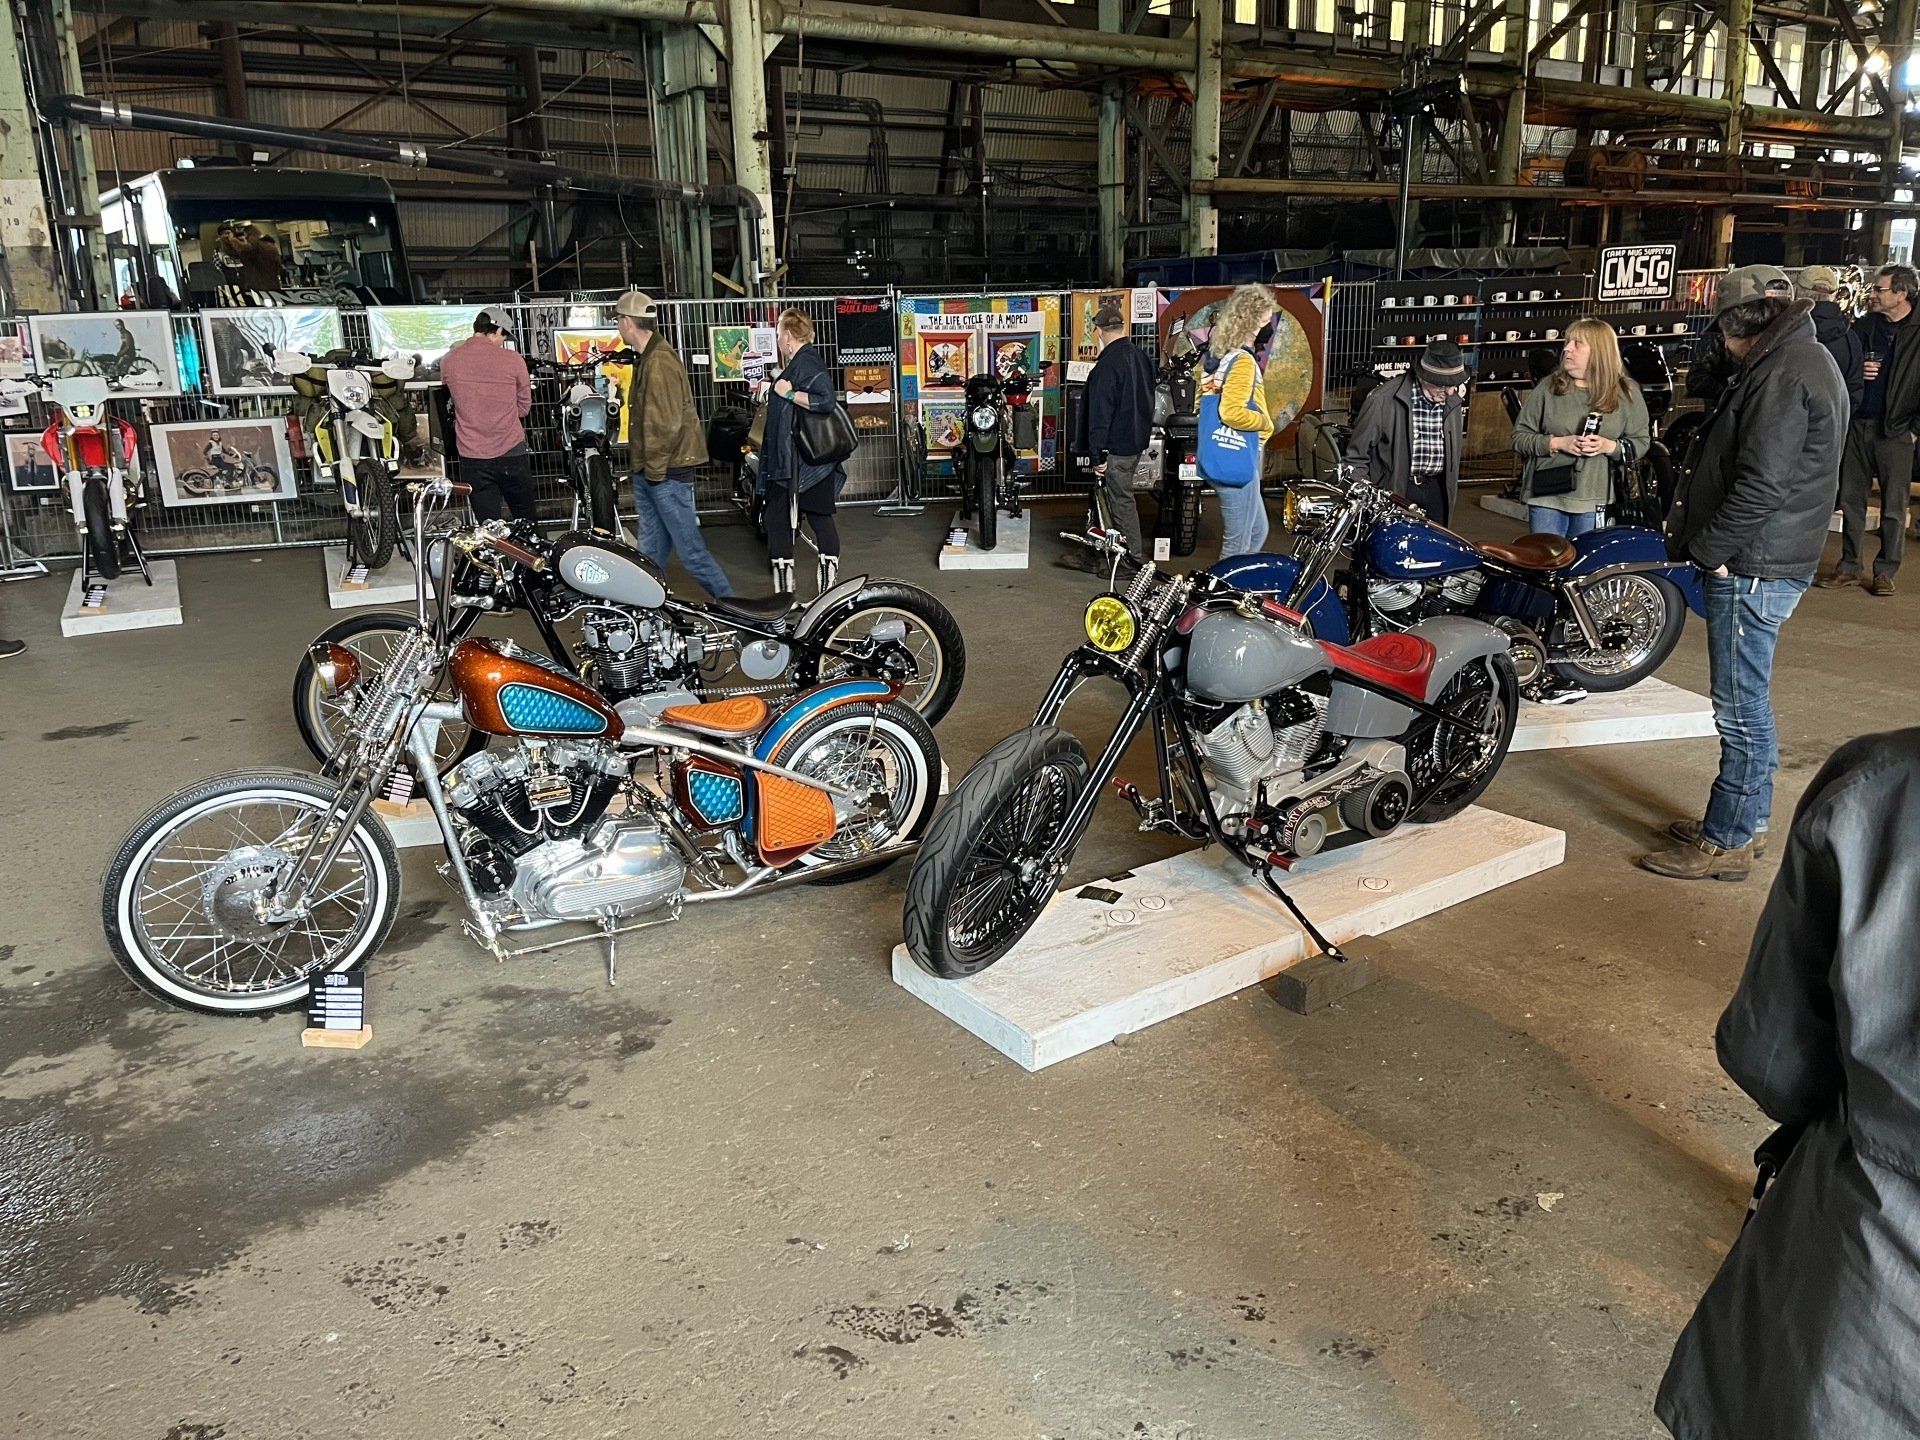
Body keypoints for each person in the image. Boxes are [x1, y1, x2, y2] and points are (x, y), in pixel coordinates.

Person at [1655, 728, 1920, 1440]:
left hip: (1868, 1308)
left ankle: (1730, 830)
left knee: (1740, 705)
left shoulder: (1883, 787)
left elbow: (1774, 1059)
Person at [1640, 267, 1845, 882]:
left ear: (1736, 327)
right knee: (1747, 700)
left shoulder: (1782, 374)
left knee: (1738, 707)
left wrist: (1708, 551)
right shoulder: (1804, 358)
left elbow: (1761, 486)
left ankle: (1726, 839)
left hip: (1753, 565)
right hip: (1769, 558)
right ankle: (1747, 823)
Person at [615, 290, 734, 599]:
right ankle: (646, 618)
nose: (618, 325)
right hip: (655, 473)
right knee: (650, 555)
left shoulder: (659, 361)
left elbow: (665, 425)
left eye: (618, 319)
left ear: (628, 322)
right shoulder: (649, 358)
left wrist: (653, 474)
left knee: (692, 554)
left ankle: (744, 616)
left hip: (665, 474)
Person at [1818, 263, 1919, 596]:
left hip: (1897, 430)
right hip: (1859, 424)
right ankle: (1849, 566)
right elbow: (1843, 365)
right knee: (1851, 501)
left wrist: (1914, 429)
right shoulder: (1865, 326)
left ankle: (1885, 571)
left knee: (1893, 506)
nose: (1873, 294)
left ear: (1902, 294)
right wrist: (1860, 368)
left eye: (1880, 289)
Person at [1510, 317, 1650, 539]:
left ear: (1599, 352)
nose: (1566, 349)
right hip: (1547, 496)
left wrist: (1609, 446)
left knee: (1583, 570)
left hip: (1594, 500)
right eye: (1567, 342)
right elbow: (1519, 438)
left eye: (1577, 344)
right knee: (1546, 566)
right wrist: (1556, 443)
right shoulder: (1548, 387)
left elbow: (1641, 442)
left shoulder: (1626, 392)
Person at [758, 308, 842, 595]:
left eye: (780, 332)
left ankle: (797, 597)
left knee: (790, 521)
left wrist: (787, 393)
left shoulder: (807, 361)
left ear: (789, 336)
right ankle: (811, 595)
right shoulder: (800, 362)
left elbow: (825, 400)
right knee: (787, 521)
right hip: (805, 462)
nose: (778, 337)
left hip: (803, 463)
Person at [1343, 339, 1470, 525]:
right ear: (1424, 377)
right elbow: (1355, 459)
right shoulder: (1382, 401)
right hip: (1397, 491)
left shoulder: (1452, 401)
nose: (1450, 392)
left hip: (1438, 491)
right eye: (1443, 385)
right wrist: (1369, 501)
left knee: (1436, 551)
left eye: (1454, 384)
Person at [438, 306, 536, 523]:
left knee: (487, 527)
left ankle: (491, 557)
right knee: (526, 522)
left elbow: (448, 400)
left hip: (472, 455)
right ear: (497, 330)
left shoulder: (450, 361)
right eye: (504, 336)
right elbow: (524, 406)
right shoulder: (513, 360)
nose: (503, 341)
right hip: (511, 450)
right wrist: (507, 416)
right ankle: (529, 557)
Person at [1200, 284, 1277, 559]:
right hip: (1239, 457)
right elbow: (1231, 413)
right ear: (1252, 319)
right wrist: (1264, 423)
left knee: (1256, 532)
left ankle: (1233, 592)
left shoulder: (1219, 358)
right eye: (1267, 320)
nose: (1269, 327)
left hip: (1227, 454)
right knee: (1238, 545)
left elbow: (1206, 404)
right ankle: (1218, 600)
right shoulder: (1243, 362)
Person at [1076, 303, 1153, 565]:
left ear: (1097, 330)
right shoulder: (1140, 357)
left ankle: (1132, 560)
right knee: (1104, 498)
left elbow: (1100, 413)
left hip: (1115, 448)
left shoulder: (1107, 365)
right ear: (1121, 327)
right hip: (1134, 442)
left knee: (1120, 501)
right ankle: (1095, 555)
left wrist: (1097, 454)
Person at [1797, 265, 1865, 411]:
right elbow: (1855, 392)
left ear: (1798, 292)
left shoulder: (1788, 332)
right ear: (1834, 294)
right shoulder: (1850, 338)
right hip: (1834, 426)